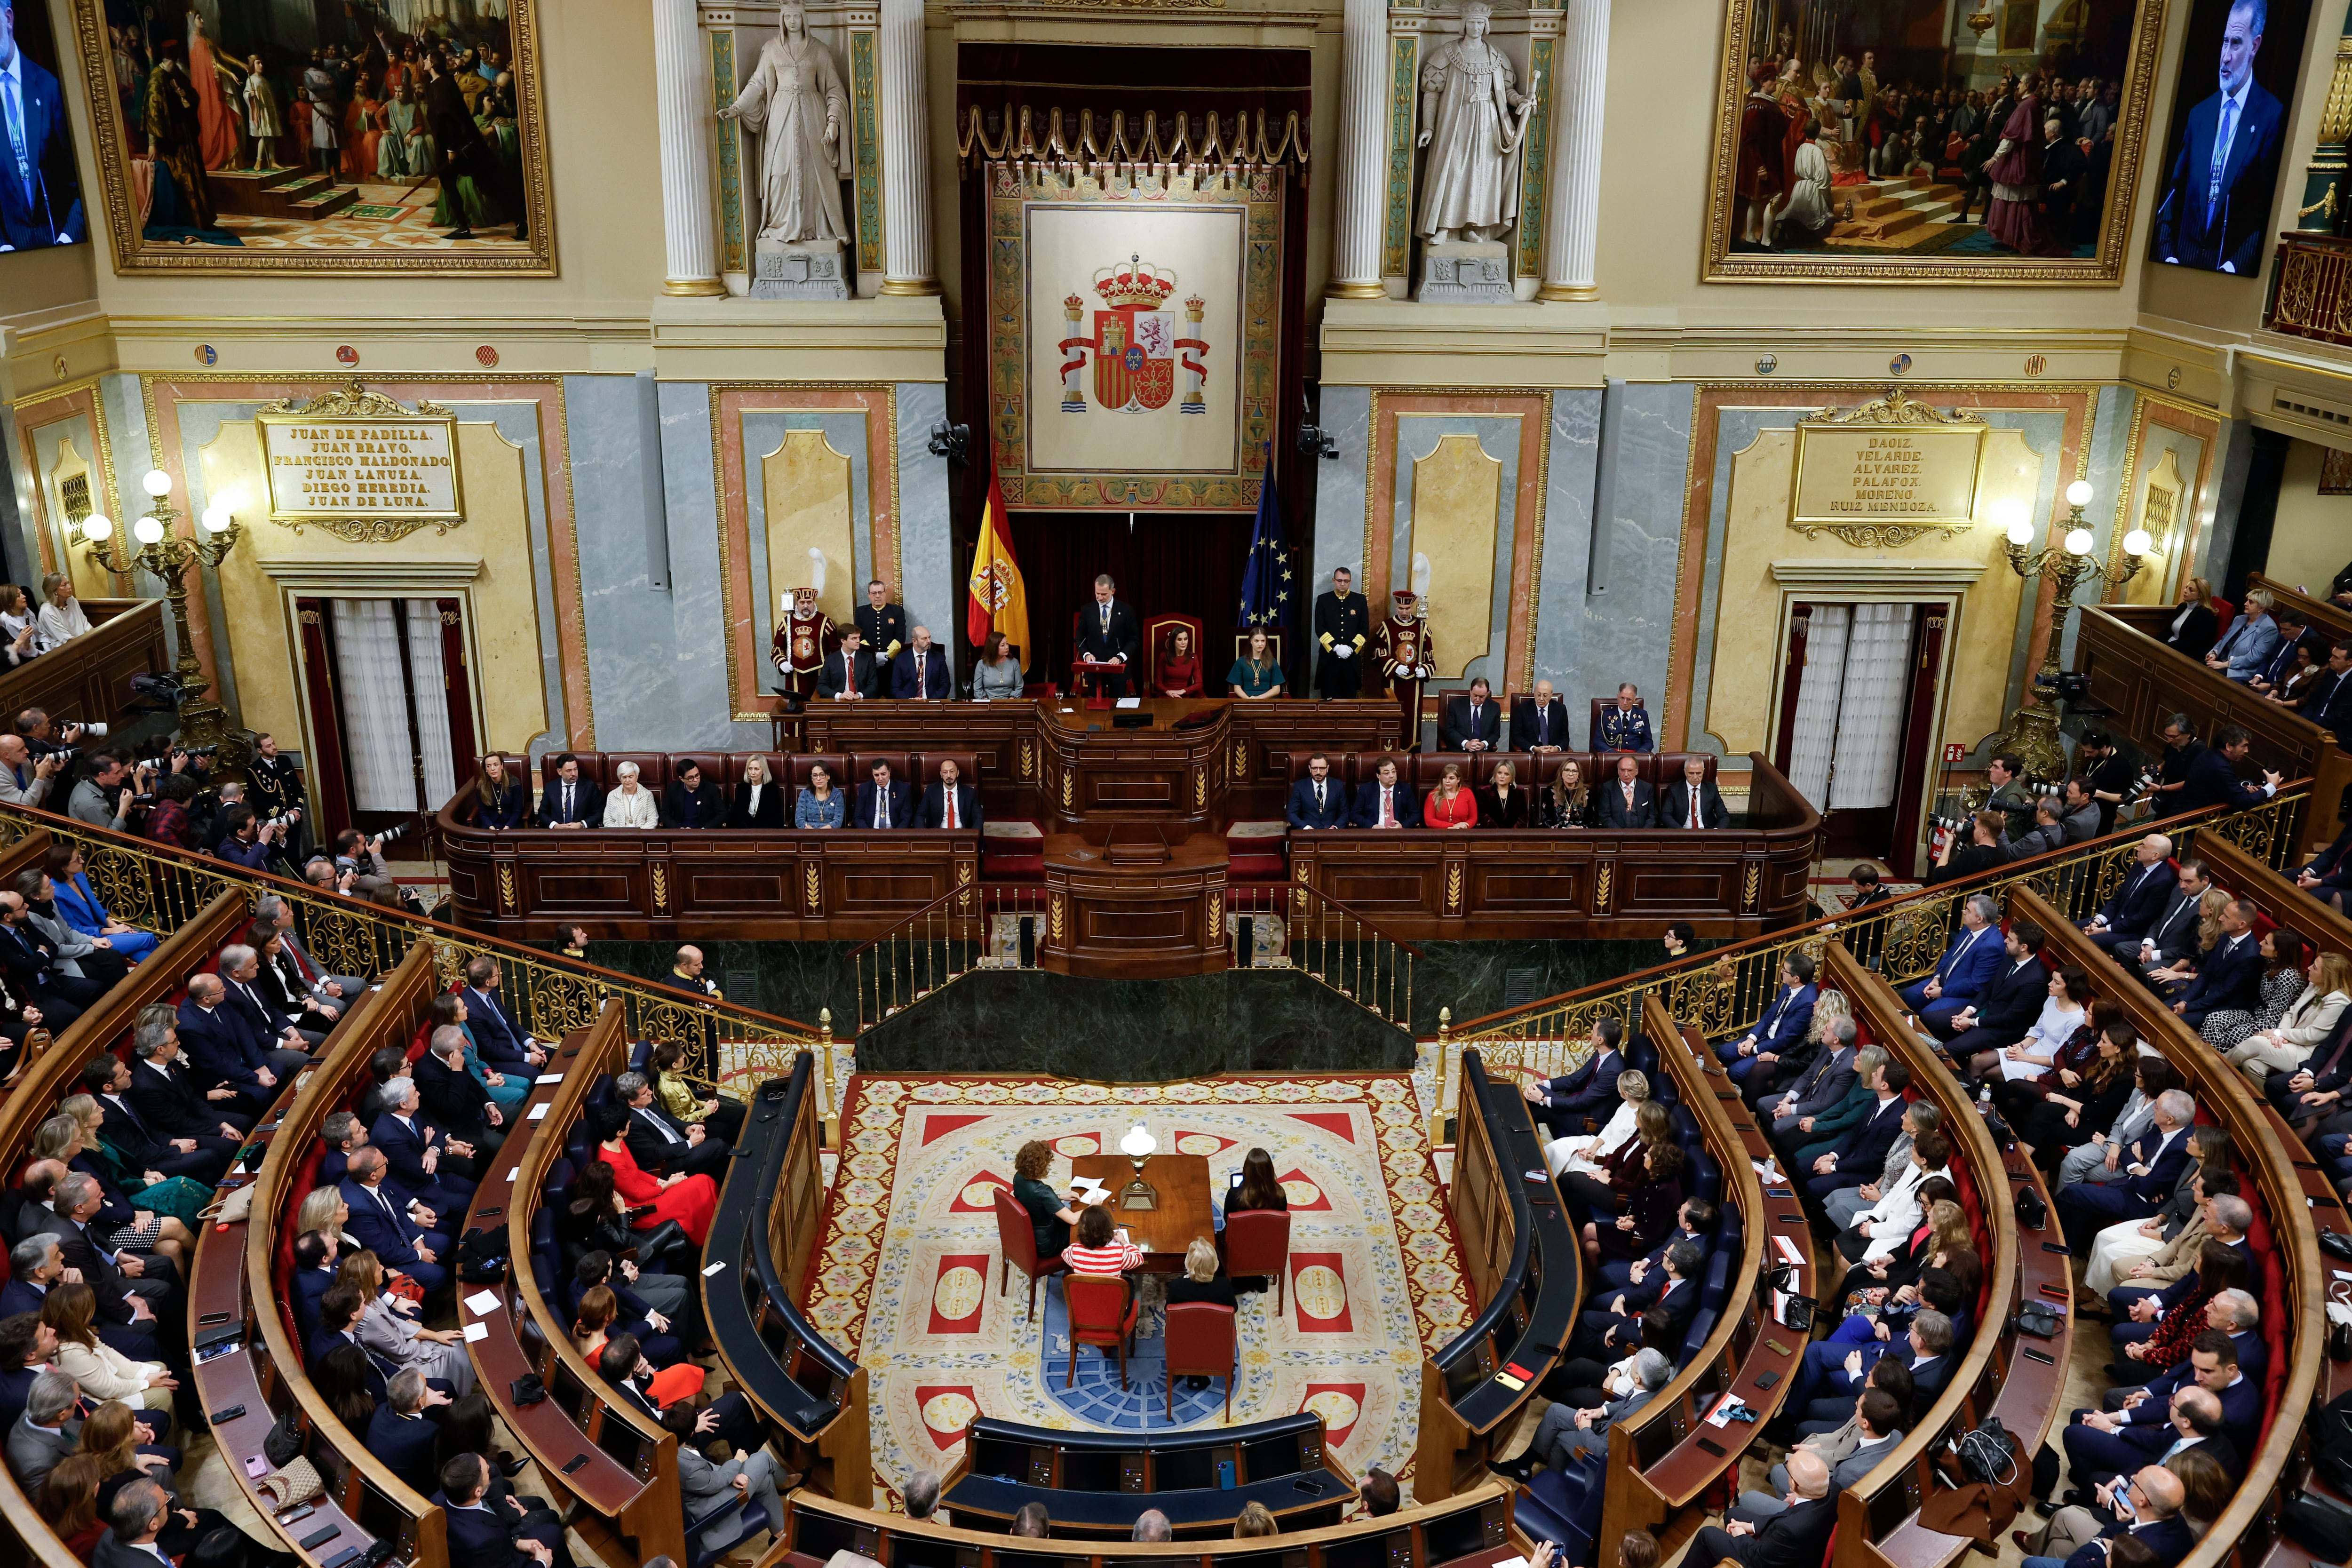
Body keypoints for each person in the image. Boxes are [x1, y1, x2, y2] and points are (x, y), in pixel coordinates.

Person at [2153, 0, 2286, 275]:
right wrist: (2167, 256)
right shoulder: (2199, 115)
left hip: (2232, 276)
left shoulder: (2272, 116)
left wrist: (2234, 267)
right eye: (2224, 41)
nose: (2225, 56)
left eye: (2236, 43)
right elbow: (2172, 196)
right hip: (2181, 269)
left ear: (2255, 46)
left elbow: (2267, 212)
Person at [0, 0, 80, 253]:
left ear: (9, 19)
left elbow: (82, 177)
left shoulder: (49, 88)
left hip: (61, 246)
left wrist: (69, 237)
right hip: (10, 258)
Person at [1690, 1449, 1837, 1568]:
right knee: (1733, 1514)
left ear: (1794, 1484)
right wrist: (1752, 1527)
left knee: (1706, 1535)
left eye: (1787, 1469)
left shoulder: (1792, 1529)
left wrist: (1741, 1536)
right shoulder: (1835, 1490)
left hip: (1763, 1559)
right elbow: (1783, 1517)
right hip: (1793, 1545)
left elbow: (1759, 1560)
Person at [594, 1104, 716, 1246]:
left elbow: (636, 1172)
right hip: (643, 1208)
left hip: (650, 1190)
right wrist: (668, 1185)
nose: (630, 1123)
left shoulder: (618, 1143)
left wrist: (661, 1181)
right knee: (700, 1184)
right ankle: (709, 1240)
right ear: (619, 1132)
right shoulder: (611, 1161)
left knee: (703, 1183)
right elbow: (637, 1195)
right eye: (627, 1122)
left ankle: (715, 1224)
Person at [2228, 948, 2348, 1085]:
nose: (2308, 968)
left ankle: (2216, 1068)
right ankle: (2261, 1103)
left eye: (2314, 968)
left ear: (2328, 976)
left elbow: (2312, 1036)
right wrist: (2280, 1036)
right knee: (2252, 1065)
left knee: (2256, 1042)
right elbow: (2291, 1012)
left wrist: (2279, 1033)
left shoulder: (2339, 1001)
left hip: (2305, 1053)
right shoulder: (2315, 985)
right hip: (2289, 1041)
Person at [1078, 575, 1140, 699]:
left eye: (1104, 594)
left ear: (1113, 591)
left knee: (1116, 709)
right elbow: (1080, 638)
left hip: (1117, 670)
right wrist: (1086, 654)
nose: (1100, 597)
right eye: (1097, 593)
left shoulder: (1126, 610)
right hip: (1095, 670)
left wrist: (1120, 657)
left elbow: (1134, 640)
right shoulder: (1087, 610)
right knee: (1094, 712)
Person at [1313, 568, 1370, 698]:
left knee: (1349, 701)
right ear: (1334, 581)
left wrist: (1351, 648)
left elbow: (1364, 629)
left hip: (1351, 660)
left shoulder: (1360, 600)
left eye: (1346, 581)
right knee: (1328, 700)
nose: (1342, 584)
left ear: (1350, 582)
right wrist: (1336, 647)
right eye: (1339, 580)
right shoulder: (1323, 600)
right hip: (1329, 660)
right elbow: (1320, 629)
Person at [2204, 588, 2279, 680]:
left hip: (2239, 671)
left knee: (2207, 677)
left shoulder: (2269, 628)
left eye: (2251, 602)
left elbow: (2254, 658)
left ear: (2262, 608)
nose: (2246, 604)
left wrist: (2225, 664)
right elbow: (2224, 639)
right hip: (2220, 661)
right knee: (2196, 668)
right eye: (2247, 600)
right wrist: (2214, 653)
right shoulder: (2239, 619)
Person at [1062, 1202, 1142, 1275]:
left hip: (1084, 1290)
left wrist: (1080, 1244)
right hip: (1110, 1291)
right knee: (1130, 1283)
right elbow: (1139, 1259)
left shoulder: (1074, 1251)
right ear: (1109, 1230)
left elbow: (1064, 1254)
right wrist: (1123, 1241)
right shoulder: (1120, 1253)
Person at [536, 754, 603, 829]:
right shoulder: (551, 788)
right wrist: (555, 825)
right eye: (569, 771)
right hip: (557, 834)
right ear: (560, 772)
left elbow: (599, 813)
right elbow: (542, 813)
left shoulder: (590, 787)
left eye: (576, 769)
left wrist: (582, 825)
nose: (574, 774)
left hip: (582, 833)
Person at [818, 624, 882, 701]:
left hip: (862, 703)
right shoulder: (831, 660)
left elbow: (874, 685)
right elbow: (821, 686)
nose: (858, 641)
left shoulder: (867, 658)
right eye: (854, 638)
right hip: (839, 703)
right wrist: (840, 695)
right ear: (843, 641)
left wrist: (859, 695)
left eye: (859, 638)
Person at [1352, 756, 1420, 829]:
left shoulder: (1405, 789)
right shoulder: (1366, 790)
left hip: (1398, 834)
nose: (1392, 776)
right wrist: (1372, 826)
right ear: (1378, 776)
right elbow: (1355, 814)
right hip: (1374, 833)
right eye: (1387, 773)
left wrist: (1402, 826)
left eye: (1394, 772)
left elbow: (1415, 814)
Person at [1287, 754, 1350, 831]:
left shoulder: (1338, 786)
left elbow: (1345, 813)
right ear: (1310, 768)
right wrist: (1307, 828)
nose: (1318, 772)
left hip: (1332, 833)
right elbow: (1292, 813)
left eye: (1322, 768)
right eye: (1314, 768)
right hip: (1308, 833)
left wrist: (1335, 827)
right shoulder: (1300, 786)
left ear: (1328, 768)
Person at [1662, 756, 1727, 830]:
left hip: (1707, 833)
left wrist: (1716, 832)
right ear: (1685, 772)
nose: (1695, 777)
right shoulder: (1674, 790)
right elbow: (1666, 815)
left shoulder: (1711, 789)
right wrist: (1680, 832)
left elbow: (1723, 815)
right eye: (1691, 773)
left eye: (1699, 773)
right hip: (1683, 833)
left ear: (1703, 771)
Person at [2161, 579, 2219, 661]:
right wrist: (2156, 643)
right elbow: (2168, 631)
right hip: (2171, 646)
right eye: (2186, 588)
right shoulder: (2182, 607)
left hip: (2188, 654)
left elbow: (2191, 642)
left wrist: (2166, 646)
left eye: (2191, 590)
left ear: (2201, 595)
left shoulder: (2205, 614)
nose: (2185, 591)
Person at [891, 625, 952, 700]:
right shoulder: (901, 659)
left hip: (932, 705)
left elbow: (945, 686)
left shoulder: (939, 658)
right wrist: (909, 700)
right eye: (924, 639)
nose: (929, 641)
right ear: (914, 641)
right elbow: (895, 688)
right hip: (909, 705)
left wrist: (930, 701)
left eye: (929, 637)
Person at [1511, 679, 1572, 752]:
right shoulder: (1522, 709)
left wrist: (1557, 749)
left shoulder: (1560, 710)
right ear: (1534, 694)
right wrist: (1534, 749)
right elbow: (1516, 737)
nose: (1541, 699)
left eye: (1545, 696)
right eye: (1539, 695)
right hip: (1531, 751)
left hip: (1553, 753)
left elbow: (1565, 737)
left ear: (1551, 696)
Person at [1597, 753, 1657, 828]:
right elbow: (1605, 816)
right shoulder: (1608, 788)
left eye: (1630, 770)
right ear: (1618, 771)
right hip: (1616, 835)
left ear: (1637, 771)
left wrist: (1643, 834)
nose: (1626, 774)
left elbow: (1652, 816)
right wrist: (1621, 835)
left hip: (1642, 835)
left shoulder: (1647, 788)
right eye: (1622, 770)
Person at [1439, 678, 1499, 753]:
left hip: (1483, 751)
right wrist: (1466, 744)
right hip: (1460, 749)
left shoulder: (1495, 708)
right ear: (1470, 691)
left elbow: (1496, 734)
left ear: (1487, 694)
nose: (1478, 699)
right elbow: (1449, 730)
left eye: (1482, 697)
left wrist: (1484, 744)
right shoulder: (1456, 705)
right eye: (1475, 695)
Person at [921, 759, 981, 831]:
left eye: (952, 771)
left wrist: (972, 836)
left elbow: (978, 818)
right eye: (945, 772)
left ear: (958, 773)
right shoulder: (931, 791)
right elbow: (920, 815)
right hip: (938, 835)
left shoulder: (969, 793)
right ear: (941, 774)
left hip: (963, 834)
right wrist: (924, 835)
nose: (949, 775)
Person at [856, 578, 908, 660]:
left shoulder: (897, 611)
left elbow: (900, 636)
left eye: (881, 593)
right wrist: (872, 655)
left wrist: (888, 655)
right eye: (874, 593)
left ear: (885, 594)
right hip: (868, 659)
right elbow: (859, 636)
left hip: (892, 660)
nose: (877, 596)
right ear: (869, 595)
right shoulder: (861, 612)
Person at [472, 756, 529, 829]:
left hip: (512, 825)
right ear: (486, 769)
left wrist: (507, 827)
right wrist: (491, 827)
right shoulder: (481, 786)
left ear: (502, 766)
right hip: (490, 825)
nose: (493, 769)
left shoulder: (514, 783)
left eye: (496, 765)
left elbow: (517, 811)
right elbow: (483, 813)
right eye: (489, 766)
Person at [662, 762, 722, 829]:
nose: (696, 780)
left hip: (704, 833)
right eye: (691, 778)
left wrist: (705, 829)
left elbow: (722, 814)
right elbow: (664, 814)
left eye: (697, 775)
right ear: (682, 779)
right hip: (680, 833)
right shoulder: (674, 789)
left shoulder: (711, 789)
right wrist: (679, 828)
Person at [731, 755, 786, 827]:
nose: (753, 773)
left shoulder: (772, 790)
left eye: (757, 769)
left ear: (763, 771)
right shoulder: (742, 789)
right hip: (744, 831)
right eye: (750, 769)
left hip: (765, 831)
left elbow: (777, 817)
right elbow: (736, 815)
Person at [1229, 628, 1284, 699]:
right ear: (1251, 641)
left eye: (1263, 641)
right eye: (1257, 641)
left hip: (1267, 701)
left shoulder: (1272, 661)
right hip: (1246, 701)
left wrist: (1259, 698)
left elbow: (1277, 689)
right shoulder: (1241, 661)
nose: (1260, 644)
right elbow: (1237, 688)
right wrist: (1248, 700)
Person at [855, 759, 910, 829]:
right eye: (876, 775)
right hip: (871, 833)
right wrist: (869, 835)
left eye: (883, 774)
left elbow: (906, 818)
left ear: (889, 772)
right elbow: (859, 817)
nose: (880, 779)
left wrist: (896, 836)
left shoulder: (903, 789)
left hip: (895, 834)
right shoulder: (865, 789)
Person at [602, 763, 660, 828]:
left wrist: (639, 834)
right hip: (618, 836)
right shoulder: (612, 795)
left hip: (642, 836)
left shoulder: (647, 795)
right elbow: (608, 821)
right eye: (624, 777)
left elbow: (653, 820)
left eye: (631, 777)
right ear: (620, 778)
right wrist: (620, 834)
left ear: (637, 777)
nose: (627, 780)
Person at [33, 577, 87, 646]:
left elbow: (85, 624)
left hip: (82, 643)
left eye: (68, 583)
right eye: (64, 585)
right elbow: (66, 639)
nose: (69, 587)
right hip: (62, 651)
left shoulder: (71, 600)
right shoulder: (47, 611)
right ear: (54, 590)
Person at [1599, 684, 1653, 752]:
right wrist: (1612, 754)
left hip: (1636, 757)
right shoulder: (1606, 715)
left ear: (1634, 700)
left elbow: (1648, 742)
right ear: (1618, 697)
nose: (1625, 703)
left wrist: (1639, 755)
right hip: (1613, 756)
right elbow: (1598, 741)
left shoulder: (1642, 715)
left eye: (1629, 699)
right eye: (1622, 698)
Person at [1424, 761, 1477, 830]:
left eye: (1451, 778)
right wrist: (1453, 826)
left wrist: (1464, 826)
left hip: (1462, 832)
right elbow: (1429, 821)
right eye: (1445, 778)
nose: (1447, 781)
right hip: (1439, 833)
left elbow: (1473, 818)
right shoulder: (1433, 795)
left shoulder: (1468, 793)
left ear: (1458, 780)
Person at [973, 630, 1024, 700]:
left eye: (1007, 644)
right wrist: (986, 701)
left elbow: (1019, 687)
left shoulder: (1014, 663)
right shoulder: (982, 664)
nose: (1007, 647)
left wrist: (1012, 700)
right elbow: (978, 690)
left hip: (1009, 702)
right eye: (1003, 645)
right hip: (988, 702)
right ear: (994, 648)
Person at [1541, 758, 1590, 829]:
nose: (1570, 774)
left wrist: (1580, 828)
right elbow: (1546, 819)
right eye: (1567, 770)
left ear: (1579, 775)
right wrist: (1562, 829)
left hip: (1581, 835)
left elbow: (1592, 820)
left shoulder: (1587, 793)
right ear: (1561, 773)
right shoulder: (1550, 791)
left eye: (1575, 771)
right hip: (1557, 835)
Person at [1155, 625, 1202, 698]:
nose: (1184, 643)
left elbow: (1199, 683)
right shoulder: (1164, 656)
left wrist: (1184, 691)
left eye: (1186, 639)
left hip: (1183, 697)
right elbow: (1158, 683)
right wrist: (1167, 692)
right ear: (1174, 642)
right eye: (1180, 640)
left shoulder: (1193, 657)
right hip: (1166, 695)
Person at [1476, 760, 1526, 828]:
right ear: (1495, 774)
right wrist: (1498, 832)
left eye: (1507, 774)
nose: (1502, 777)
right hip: (1491, 833)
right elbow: (1482, 815)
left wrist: (1512, 833)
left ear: (1512, 777)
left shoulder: (1519, 792)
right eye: (1499, 773)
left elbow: (1523, 816)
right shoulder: (1484, 791)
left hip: (1514, 834)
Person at [795, 762, 844, 828]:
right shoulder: (805, 794)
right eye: (815, 775)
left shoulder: (837, 795)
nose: (818, 779)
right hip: (808, 833)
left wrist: (821, 832)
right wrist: (812, 832)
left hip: (830, 833)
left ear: (828, 777)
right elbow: (799, 820)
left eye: (822, 775)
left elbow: (838, 821)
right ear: (812, 778)